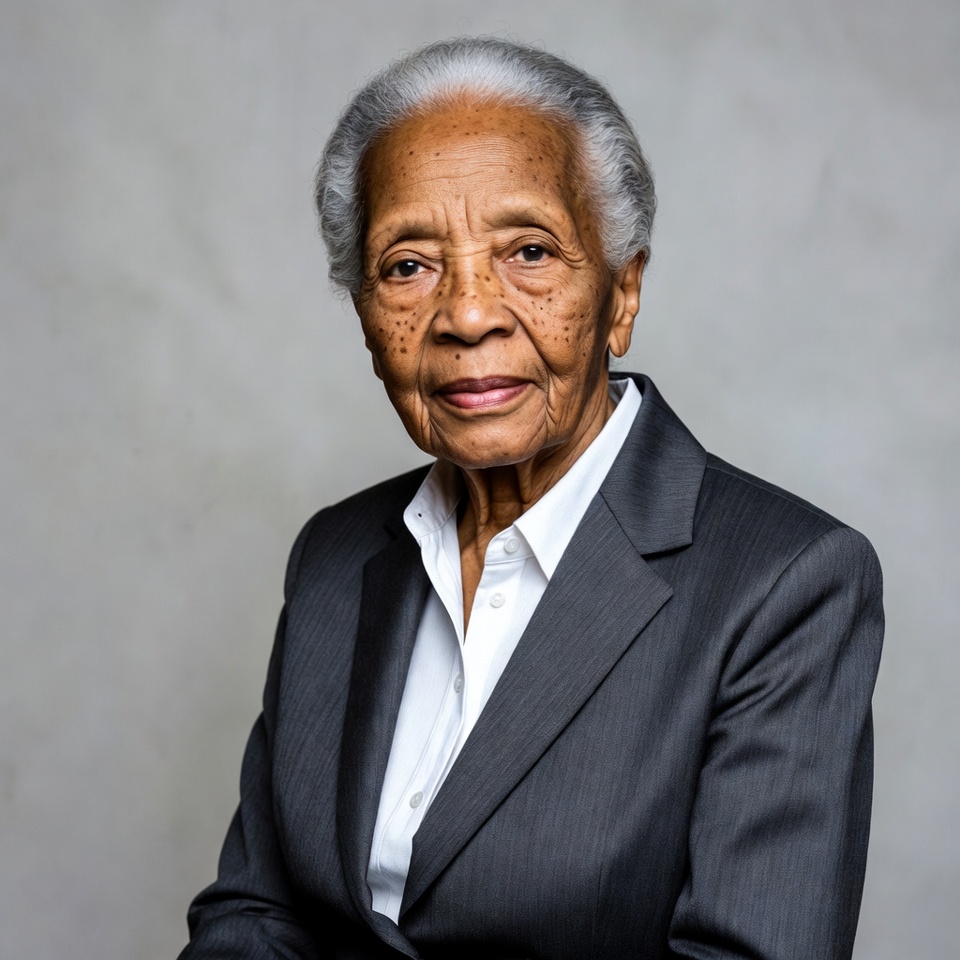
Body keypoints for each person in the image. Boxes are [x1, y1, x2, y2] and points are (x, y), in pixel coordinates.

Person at [178, 37, 883, 960]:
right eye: (407, 265)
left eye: (529, 251)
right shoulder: (334, 558)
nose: (469, 314)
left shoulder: (786, 583)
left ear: (622, 292)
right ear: (364, 315)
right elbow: (258, 914)